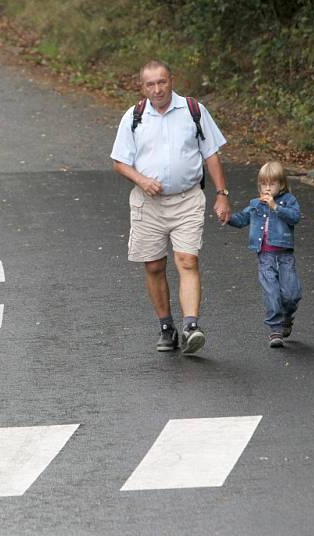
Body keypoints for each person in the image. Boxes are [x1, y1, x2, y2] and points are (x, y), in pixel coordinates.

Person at [110, 59, 231, 355]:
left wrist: (222, 193)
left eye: (162, 82)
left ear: (171, 80)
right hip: (147, 203)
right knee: (153, 266)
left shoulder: (193, 110)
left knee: (187, 260)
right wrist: (141, 179)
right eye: (150, 84)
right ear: (142, 87)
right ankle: (167, 326)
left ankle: (191, 326)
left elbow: (211, 153)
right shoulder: (134, 117)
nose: (157, 89)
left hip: (188, 199)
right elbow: (119, 161)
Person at [226, 161, 302, 348]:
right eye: (263, 184)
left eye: (272, 184)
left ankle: (287, 316)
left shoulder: (288, 201)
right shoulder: (255, 204)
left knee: (291, 294)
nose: (267, 188)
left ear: (281, 185)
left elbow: (295, 217)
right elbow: (242, 219)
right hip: (265, 256)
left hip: (284, 256)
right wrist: (227, 218)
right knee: (272, 293)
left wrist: (275, 206)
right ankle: (275, 329)